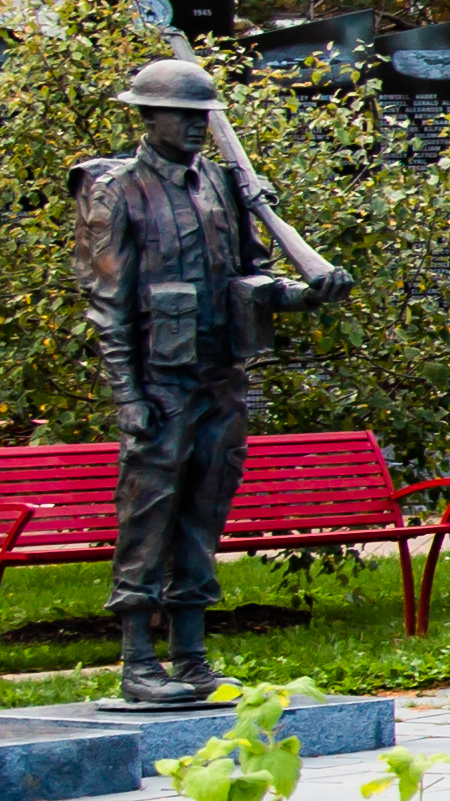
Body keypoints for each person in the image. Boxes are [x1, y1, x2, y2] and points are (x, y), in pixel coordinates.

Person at [69, 54, 347, 710]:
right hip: (160, 384)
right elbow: (108, 306)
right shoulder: (113, 189)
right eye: (183, 115)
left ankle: (190, 656)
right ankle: (139, 661)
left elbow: (246, 278)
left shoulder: (225, 187)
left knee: (201, 515)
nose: (195, 127)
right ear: (147, 115)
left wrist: (305, 294)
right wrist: (128, 397)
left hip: (221, 375)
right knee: (147, 516)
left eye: (203, 116)